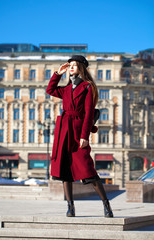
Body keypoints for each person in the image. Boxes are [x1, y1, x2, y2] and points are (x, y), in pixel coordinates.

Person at [46, 55, 113, 218]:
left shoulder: (87, 87)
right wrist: (57, 74)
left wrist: (84, 136)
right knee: (64, 171)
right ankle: (70, 207)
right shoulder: (66, 89)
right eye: (70, 65)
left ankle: (106, 204)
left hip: (77, 132)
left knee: (87, 169)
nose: (71, 67)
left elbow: (89, 112)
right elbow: (50, 90)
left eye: (74, 65)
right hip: (64, 132)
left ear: (82, 68)